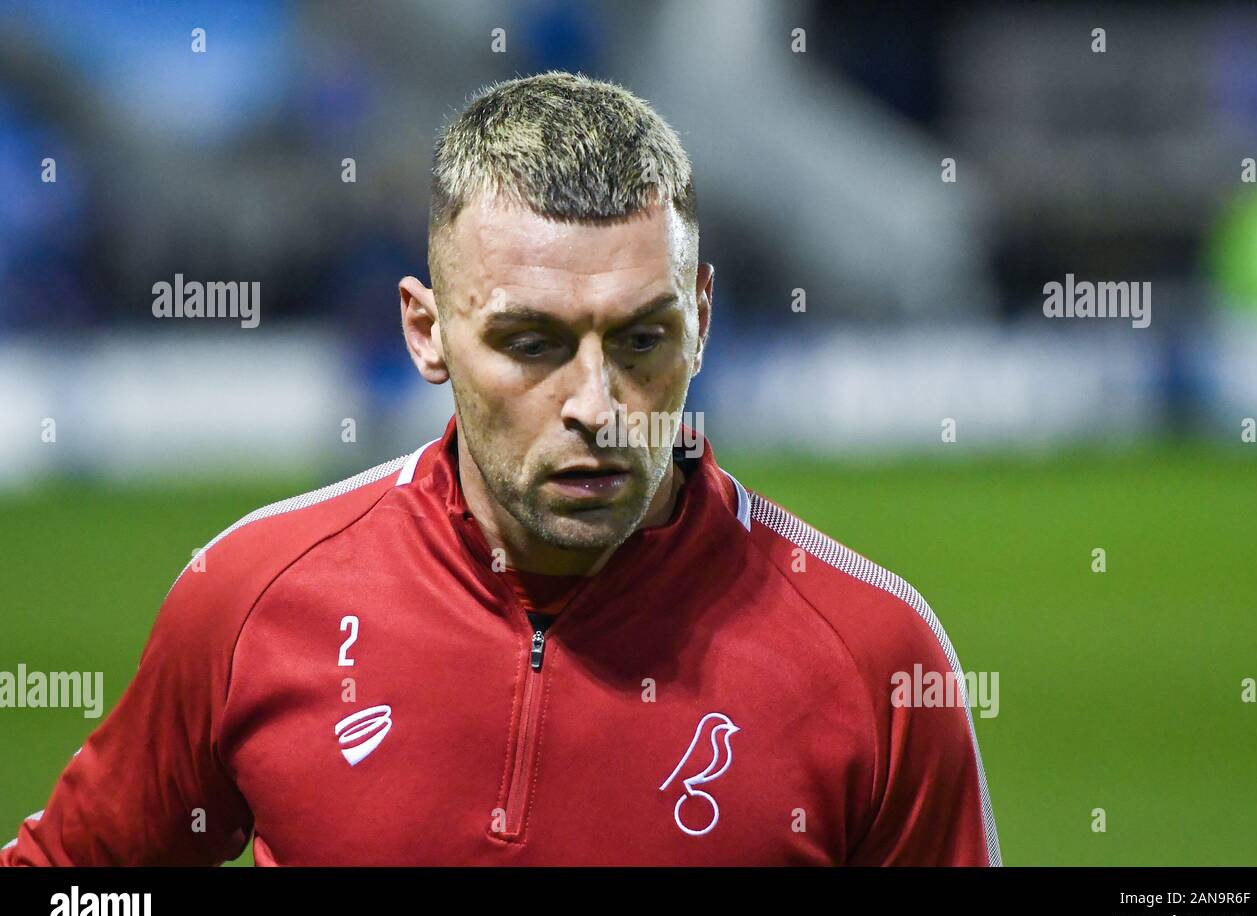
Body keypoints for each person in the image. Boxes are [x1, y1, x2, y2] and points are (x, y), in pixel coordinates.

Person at [3, 71, 999, 866]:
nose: (596, 406)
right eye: (531, 342)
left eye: (643, 338)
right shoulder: (252, 598)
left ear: (700, 315)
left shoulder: (876, 658)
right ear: (426, 331)